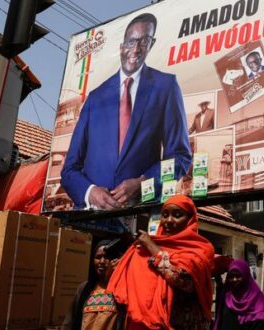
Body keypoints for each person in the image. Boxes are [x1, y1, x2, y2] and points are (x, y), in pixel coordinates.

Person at [62, 13, 192, 210]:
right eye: (132, 41)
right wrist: (91, 192)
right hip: (90, 218)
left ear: (152, 43)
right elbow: (69, 169)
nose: (137, 49)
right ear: (121, 46)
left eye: (144, 41)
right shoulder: (96, 97)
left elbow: (180, 157)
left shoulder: (165, 86)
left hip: (141, 214)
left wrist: (144, 183)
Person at [107, 195, 215, 329]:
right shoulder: (144, 248)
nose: (168, 220)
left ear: (190, 219)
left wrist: (152, 247)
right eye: (164, 215)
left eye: (177, 215)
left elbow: (181, 279)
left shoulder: (200, 249)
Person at [63, 239, 125, 330]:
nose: (102, 261)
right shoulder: (84, 288)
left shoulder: (122, 289)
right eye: (98, 257)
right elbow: (70, 321)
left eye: (107, 257)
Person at [212, 259, 264, 330]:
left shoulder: (256, 298)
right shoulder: (226, 296)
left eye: (238, 276)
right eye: (231, 277)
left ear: (246, 276)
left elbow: (261, 320)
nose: (234, 279)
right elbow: (220, 320)